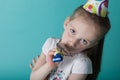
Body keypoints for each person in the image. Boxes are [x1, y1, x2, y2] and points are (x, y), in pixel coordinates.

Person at [30, 0, 111, 80]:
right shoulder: (50, 43)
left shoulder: (81, 63)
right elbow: (33, 78)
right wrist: (49, 66)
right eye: (73, 31)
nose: (73, 43)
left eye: (84, 41)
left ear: (93, 44)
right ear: (66, 23)